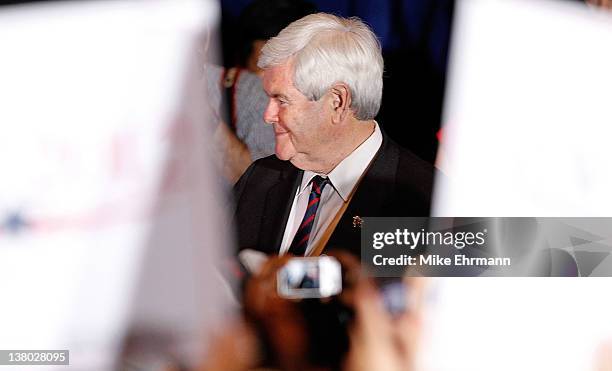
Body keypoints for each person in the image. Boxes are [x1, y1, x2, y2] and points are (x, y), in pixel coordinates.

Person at [233, 13, 434, 258]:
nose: (268, 115)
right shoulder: (260, 178)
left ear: (338, 102)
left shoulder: (430, 200)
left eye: (282, 100)